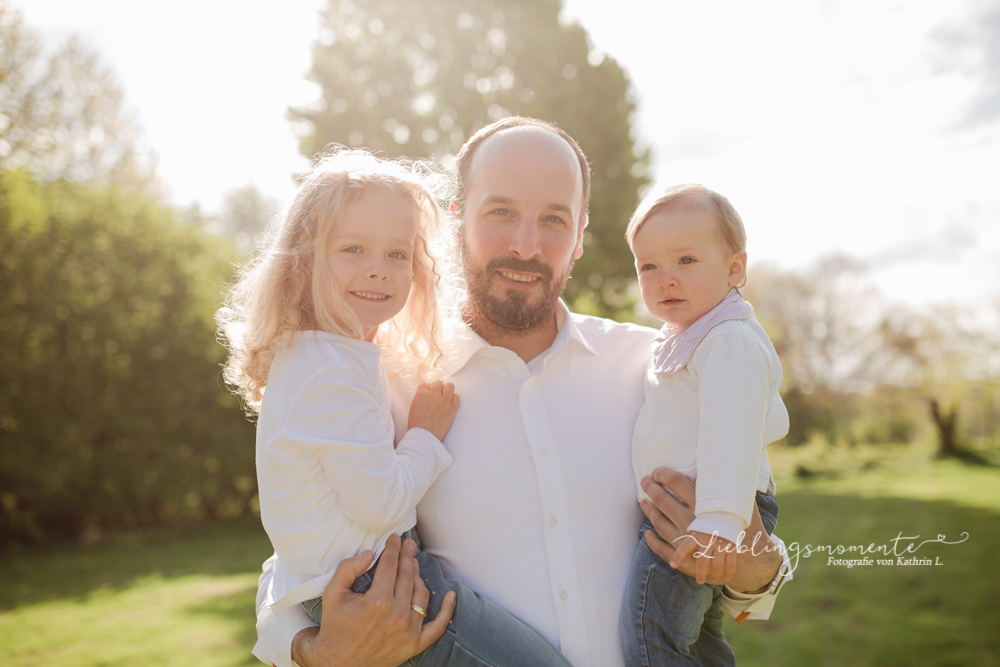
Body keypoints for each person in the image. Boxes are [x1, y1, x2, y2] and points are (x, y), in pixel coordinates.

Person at [254, 118, 793, 667]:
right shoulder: (384, 380)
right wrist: (312, 650)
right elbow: (296, 560)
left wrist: (759, 569)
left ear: (580, 235)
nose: (526, 245)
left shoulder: (665, 368)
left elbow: (749, 521)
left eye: (554, 220)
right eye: (501, 212)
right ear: (459, 221)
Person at [220, 148, 571, 667]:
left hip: (368, 575)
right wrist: (425, 436)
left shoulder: (337, 356)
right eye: (353, 249)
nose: (377, 271)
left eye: (397, 254)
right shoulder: (327, 370)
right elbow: (381, 504)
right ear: (304, 258)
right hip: (371, 589)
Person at [621, 184, 789, 666]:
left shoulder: (727, 338)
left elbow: (731, 433)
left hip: (706, 514)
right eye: (648, 266)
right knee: (697, 640)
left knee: (650, 633)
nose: (664, 279)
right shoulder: (689, 335)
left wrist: (717, 524)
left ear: (735, 269)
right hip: (702, 511)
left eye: (686, 261)